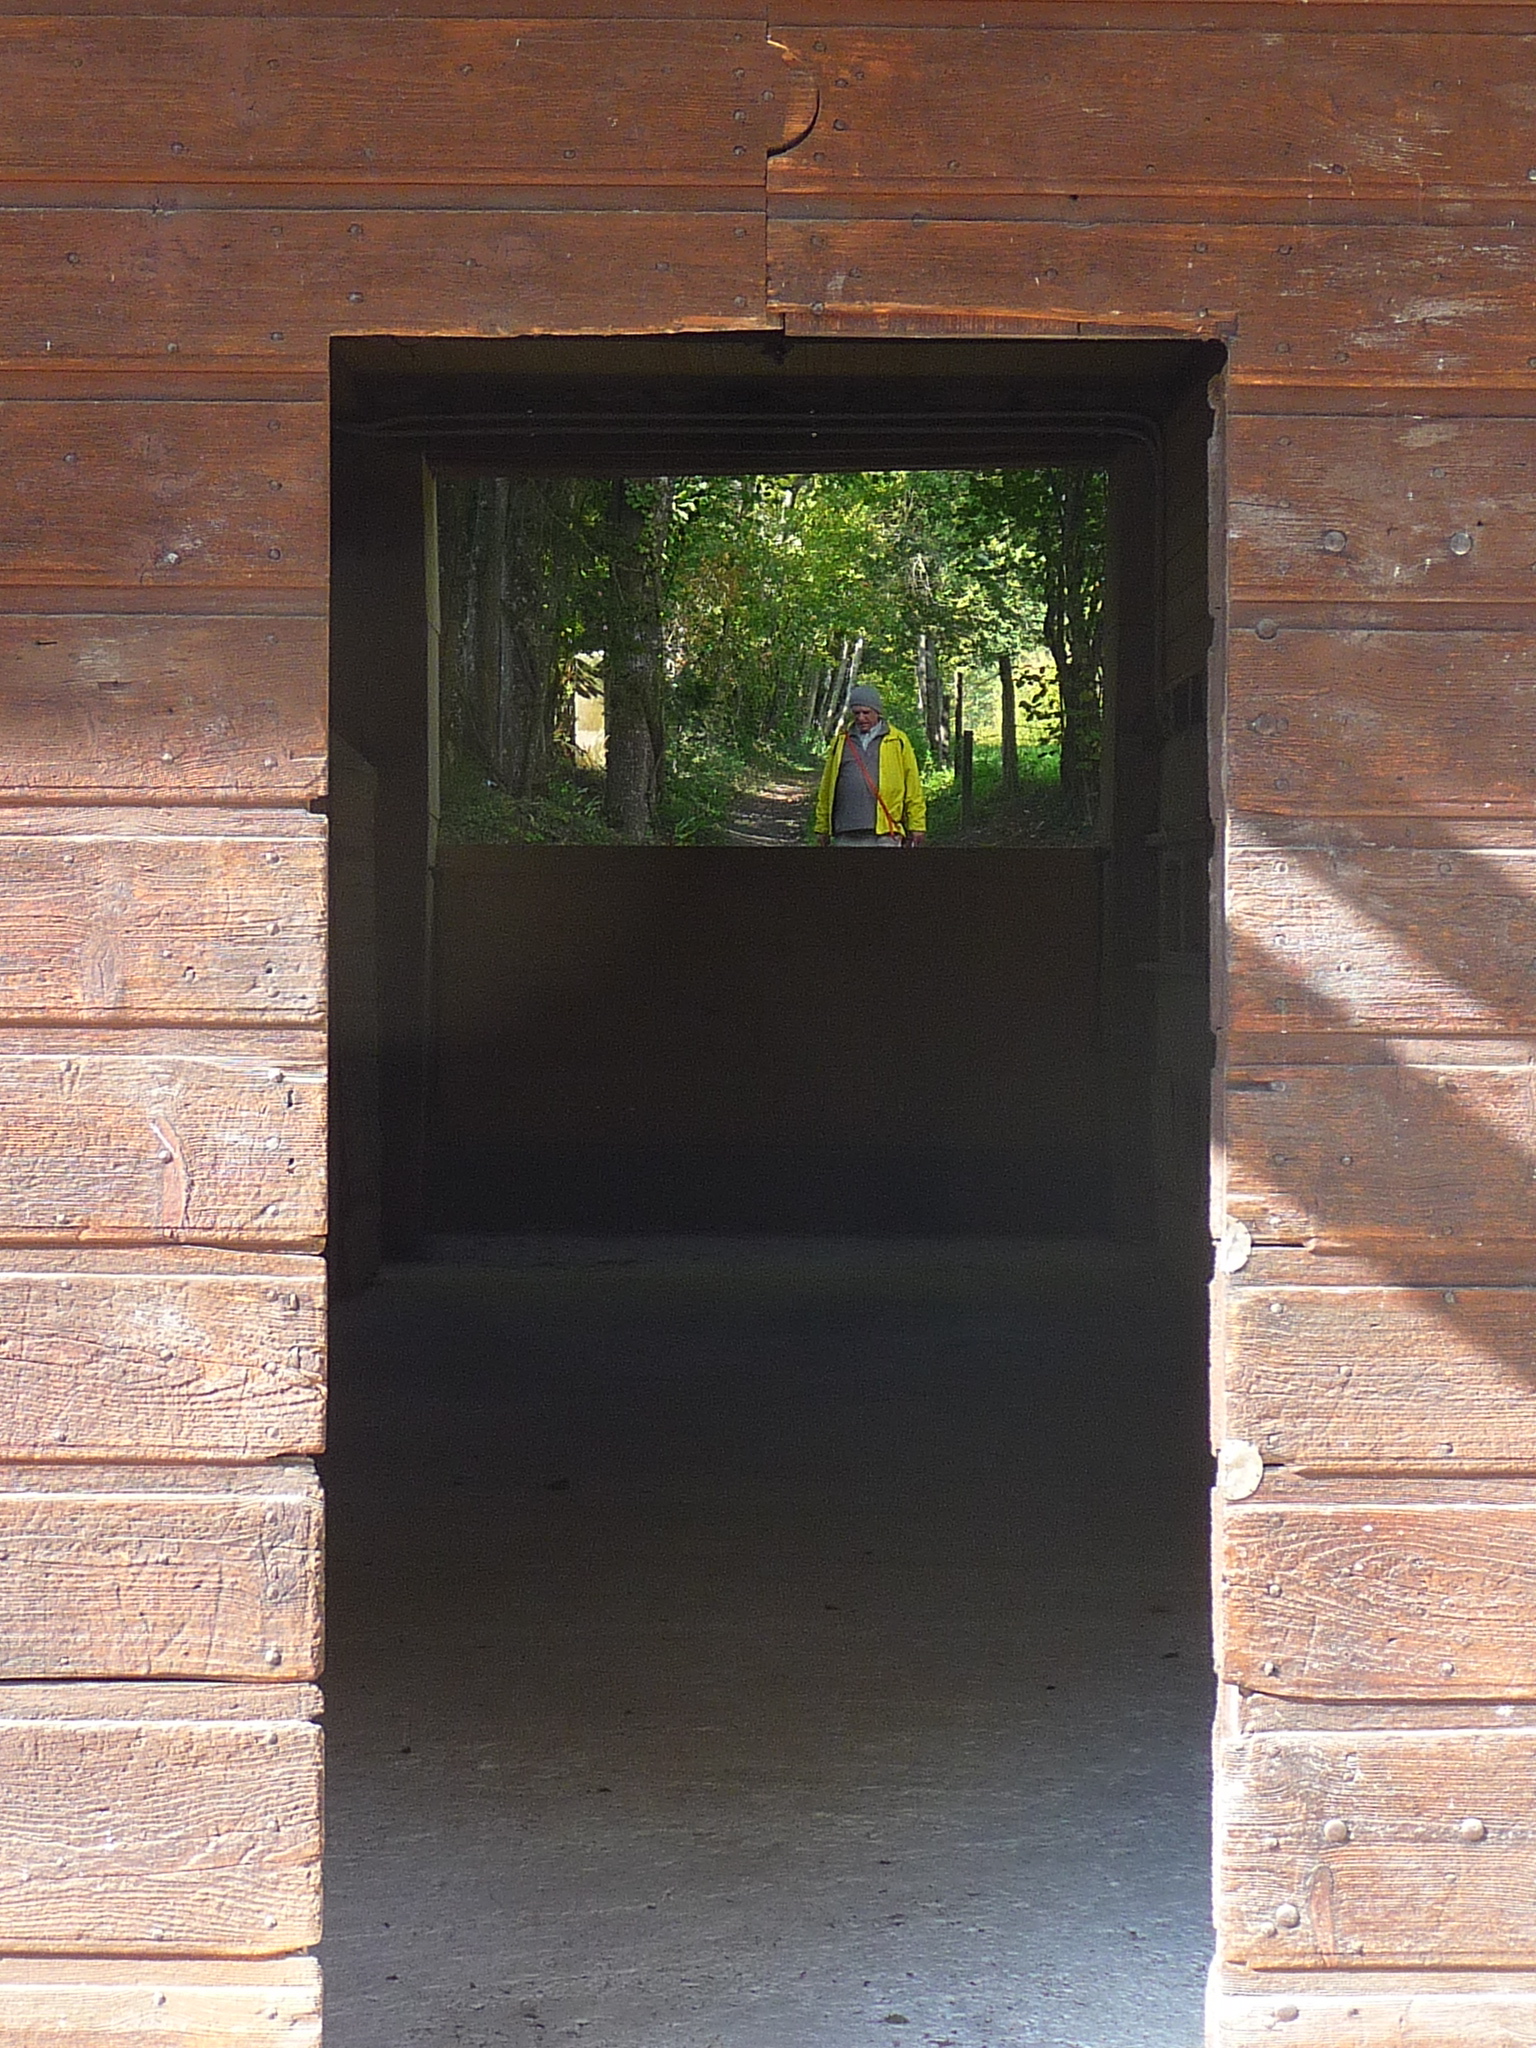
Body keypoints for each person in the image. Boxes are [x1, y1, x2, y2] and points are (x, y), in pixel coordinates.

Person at [814, 683, 927, 848]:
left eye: (866, 713)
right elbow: (827, 787)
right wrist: (822, 826)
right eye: (856, 713)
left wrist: (916, 825)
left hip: (886, 832)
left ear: (877, 712)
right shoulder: (841, 741)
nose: (861, 718)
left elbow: (913, 787)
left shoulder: (897, 740)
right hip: (845, 831)